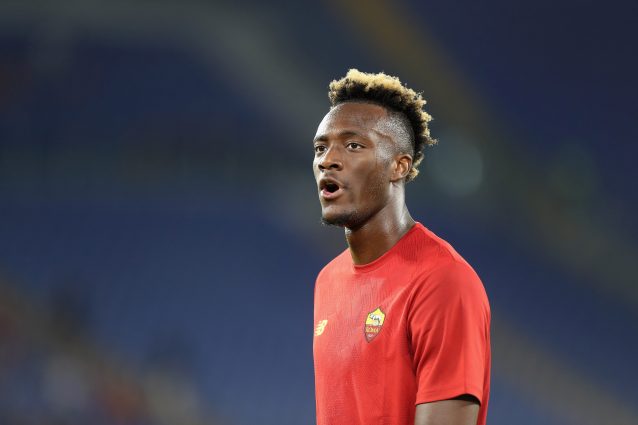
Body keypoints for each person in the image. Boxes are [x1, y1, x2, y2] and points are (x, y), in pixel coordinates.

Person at [312, 69, 491, 425]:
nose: (327, 160)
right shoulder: (327, 281)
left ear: (398, 166)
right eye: (320, 147)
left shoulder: (442, 281)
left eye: (353, 145)